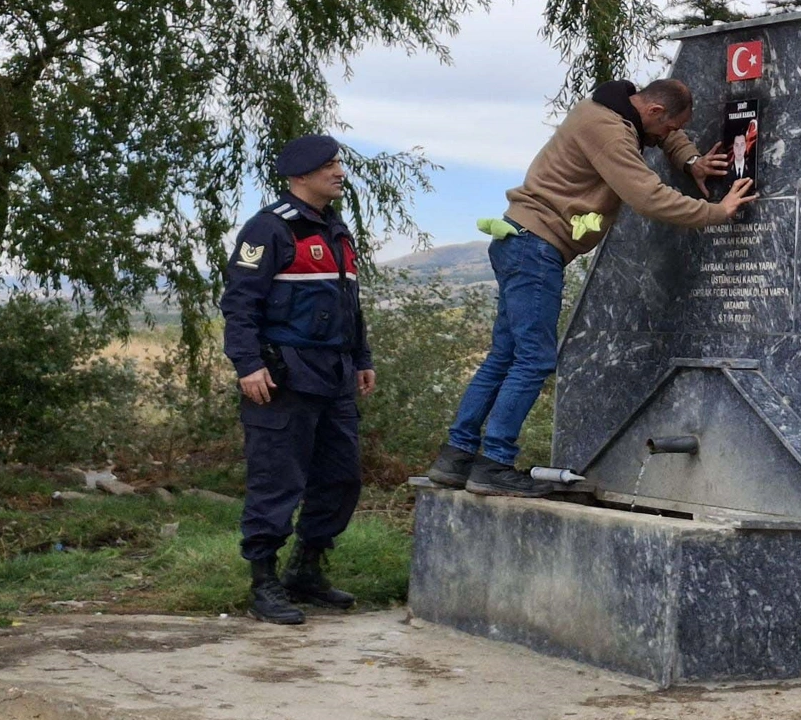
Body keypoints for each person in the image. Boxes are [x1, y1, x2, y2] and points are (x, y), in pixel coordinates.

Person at [426, 78, 756, 497]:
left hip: (521, 241)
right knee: (533, 361)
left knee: (505, 356)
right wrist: (716, 212)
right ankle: (493, 463)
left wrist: (690, 159)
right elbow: (648, 196)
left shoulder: (620, 110)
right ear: (653, 113)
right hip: (536, 247)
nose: (667, 137)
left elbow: (668, 134)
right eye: (668, 127)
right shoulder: (608, 131)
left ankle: (456, 458)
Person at [220, 134, 377, 625]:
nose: (340, 172)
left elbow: (349, 305)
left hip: (335, 376)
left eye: (338, 163)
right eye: (329, 165)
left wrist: (363, 357)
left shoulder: (337, 231)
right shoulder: (268, 229)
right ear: (301, 175)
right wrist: (248, 365)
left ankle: (305, 571)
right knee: (277, 480)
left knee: (341, 477)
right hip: (283, 377)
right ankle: (263, 583)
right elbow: (239, 305)